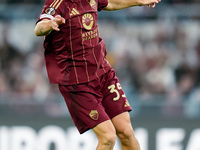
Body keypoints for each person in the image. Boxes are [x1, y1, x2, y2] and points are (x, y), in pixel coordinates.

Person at [34, 0, 160, 149]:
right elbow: (39, 28)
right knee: (108, 137)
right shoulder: (58, 3)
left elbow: (110, 3)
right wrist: (50, 25)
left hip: (103, 73)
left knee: (126, 132)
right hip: (77, 83)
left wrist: (138, 2)